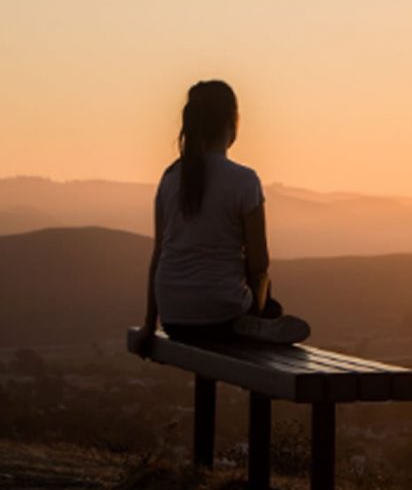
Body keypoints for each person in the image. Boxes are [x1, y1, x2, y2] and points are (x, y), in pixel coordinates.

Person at [131, 80, 310, 356]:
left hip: (174, 320)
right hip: (222, 316)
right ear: (232, 122)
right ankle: (259, 321)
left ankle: (256, 320)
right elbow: (259, 264)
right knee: (269, 297)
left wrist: (148, 325)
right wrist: (258, 307)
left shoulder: (170, 178)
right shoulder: (244, 181)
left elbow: (159, 255)